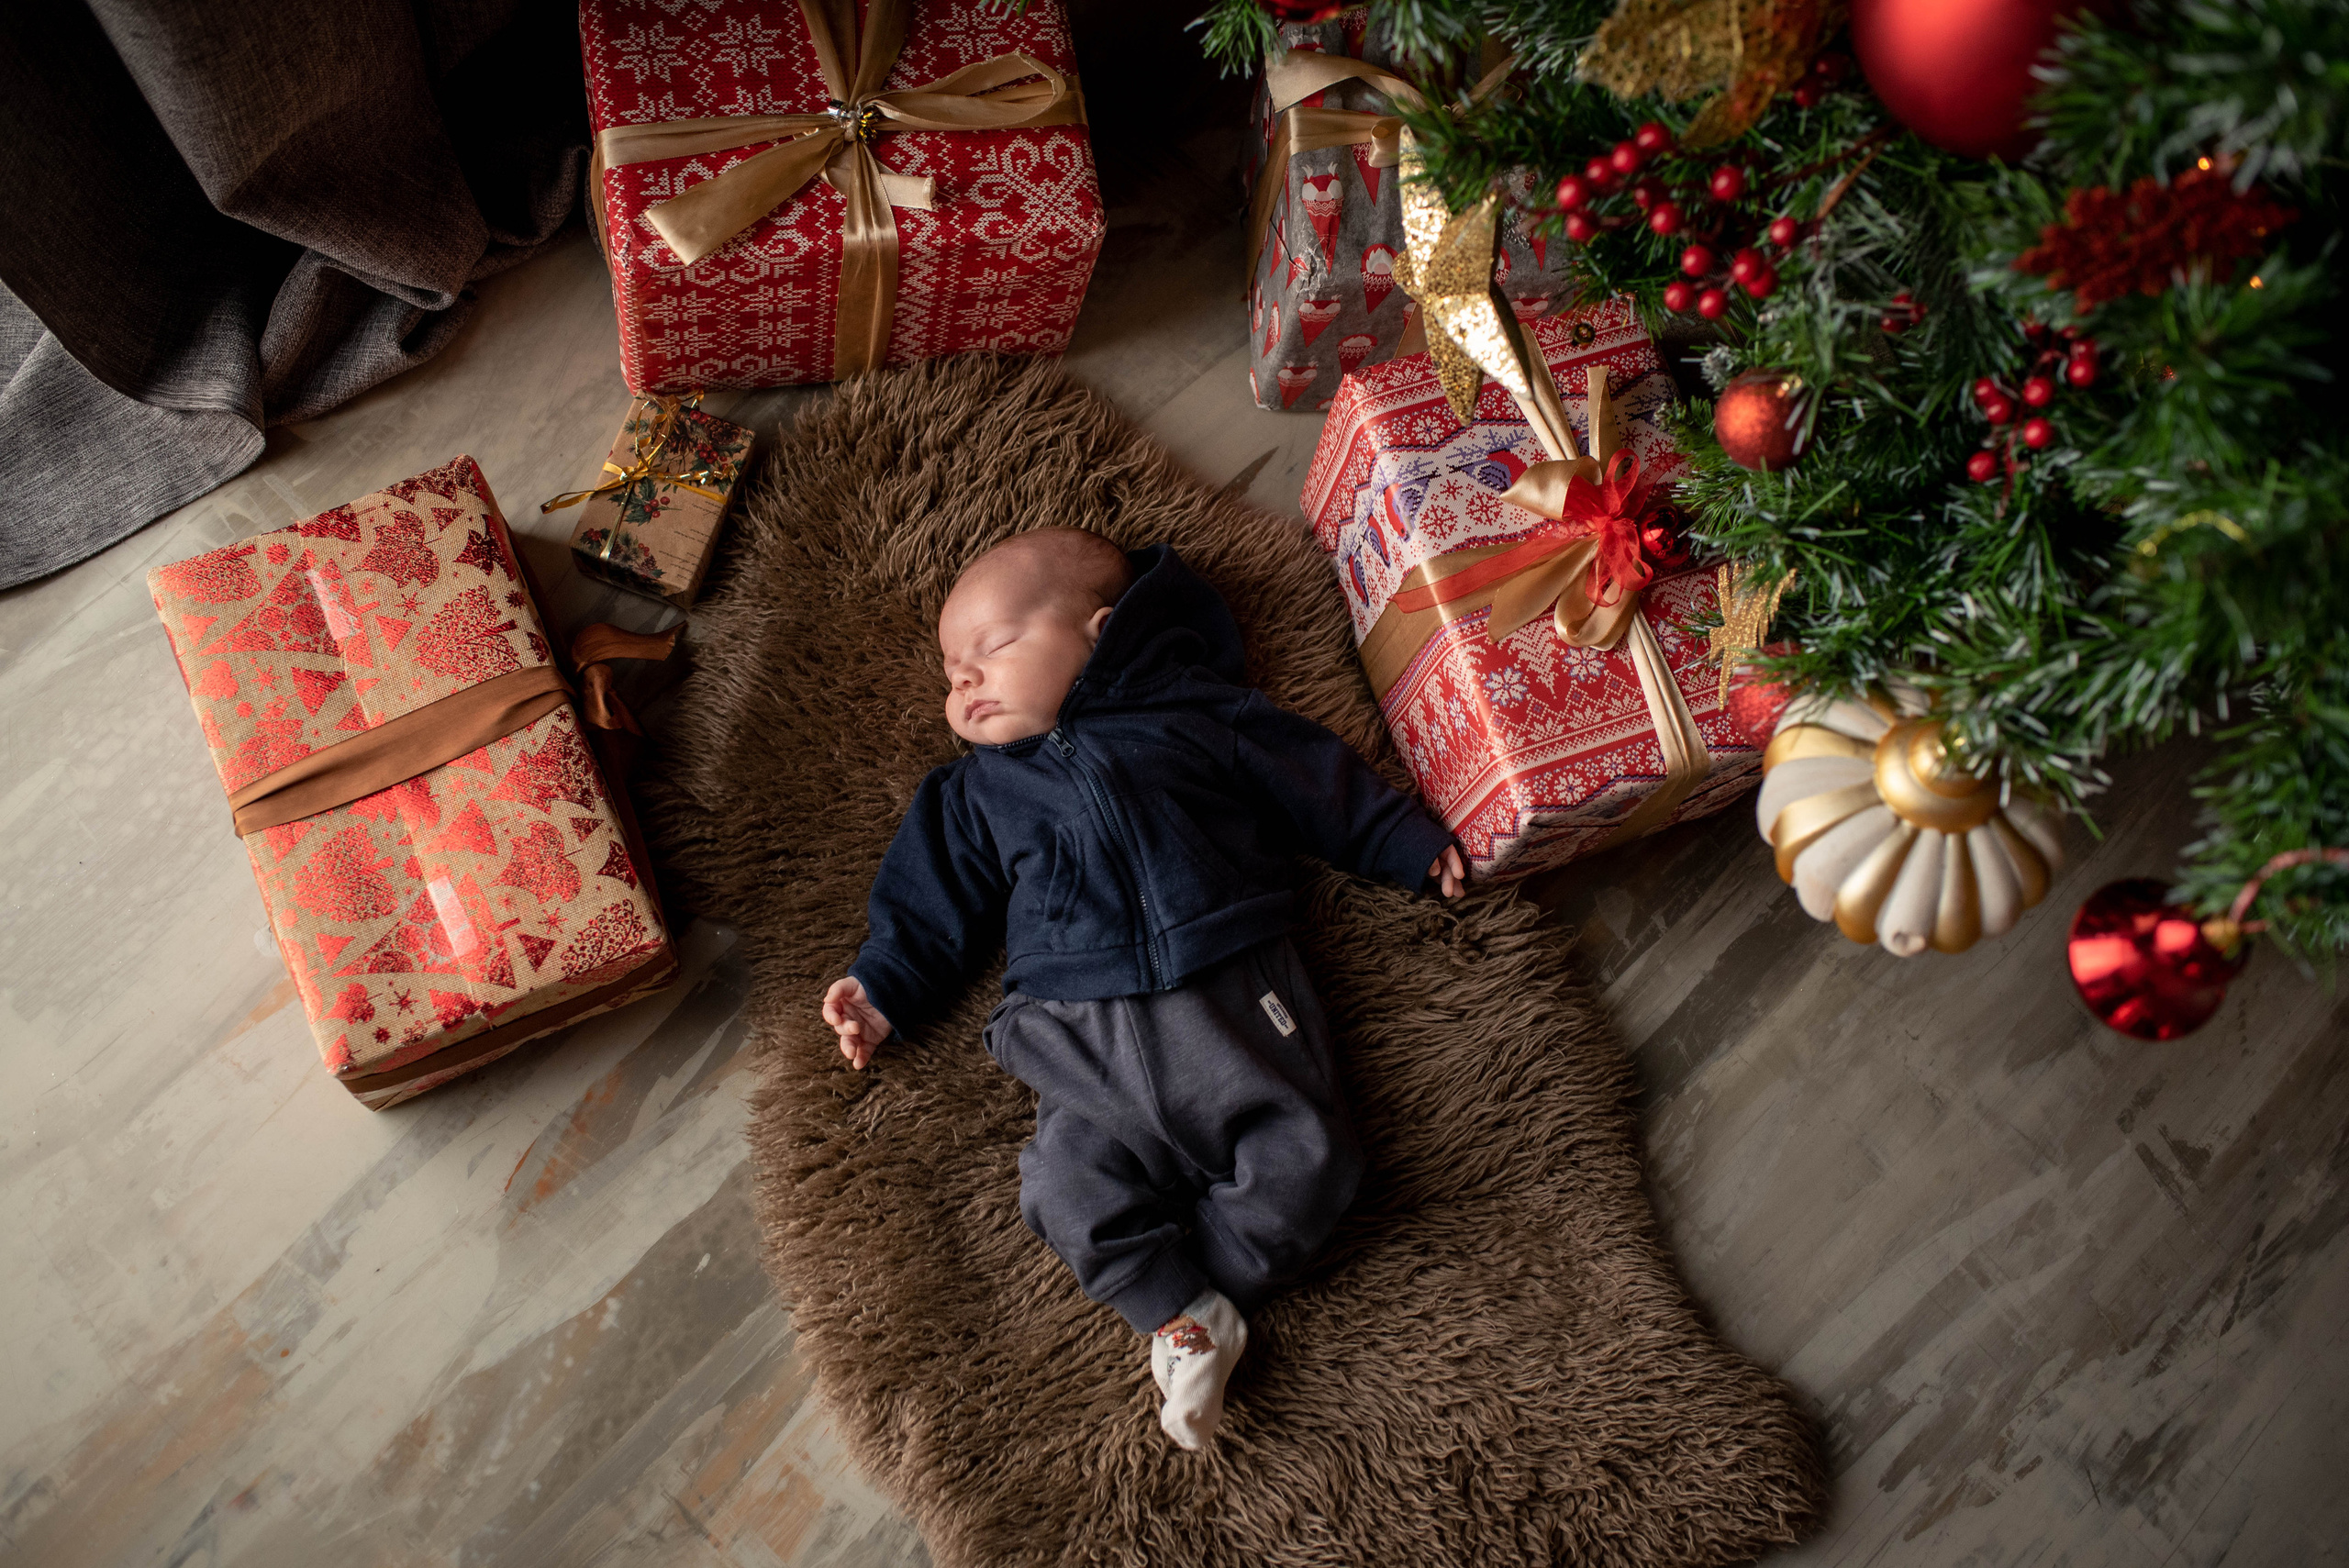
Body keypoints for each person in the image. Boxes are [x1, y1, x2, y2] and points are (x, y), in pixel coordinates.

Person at [821, 528, 1465, 1450]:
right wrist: (881, 985)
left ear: (1101, 630)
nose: (961, 685)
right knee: (1061, 1184)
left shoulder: (1194, 713)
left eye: (989, 651)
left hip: (1226, 1000)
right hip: (1076, 1036)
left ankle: (1199, 1297)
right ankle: (1182, 1308)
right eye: (951, 674)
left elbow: (1307, 772)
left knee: (1312, 1159)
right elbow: (928, 907)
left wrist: (1395, 837)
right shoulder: (972, 796)